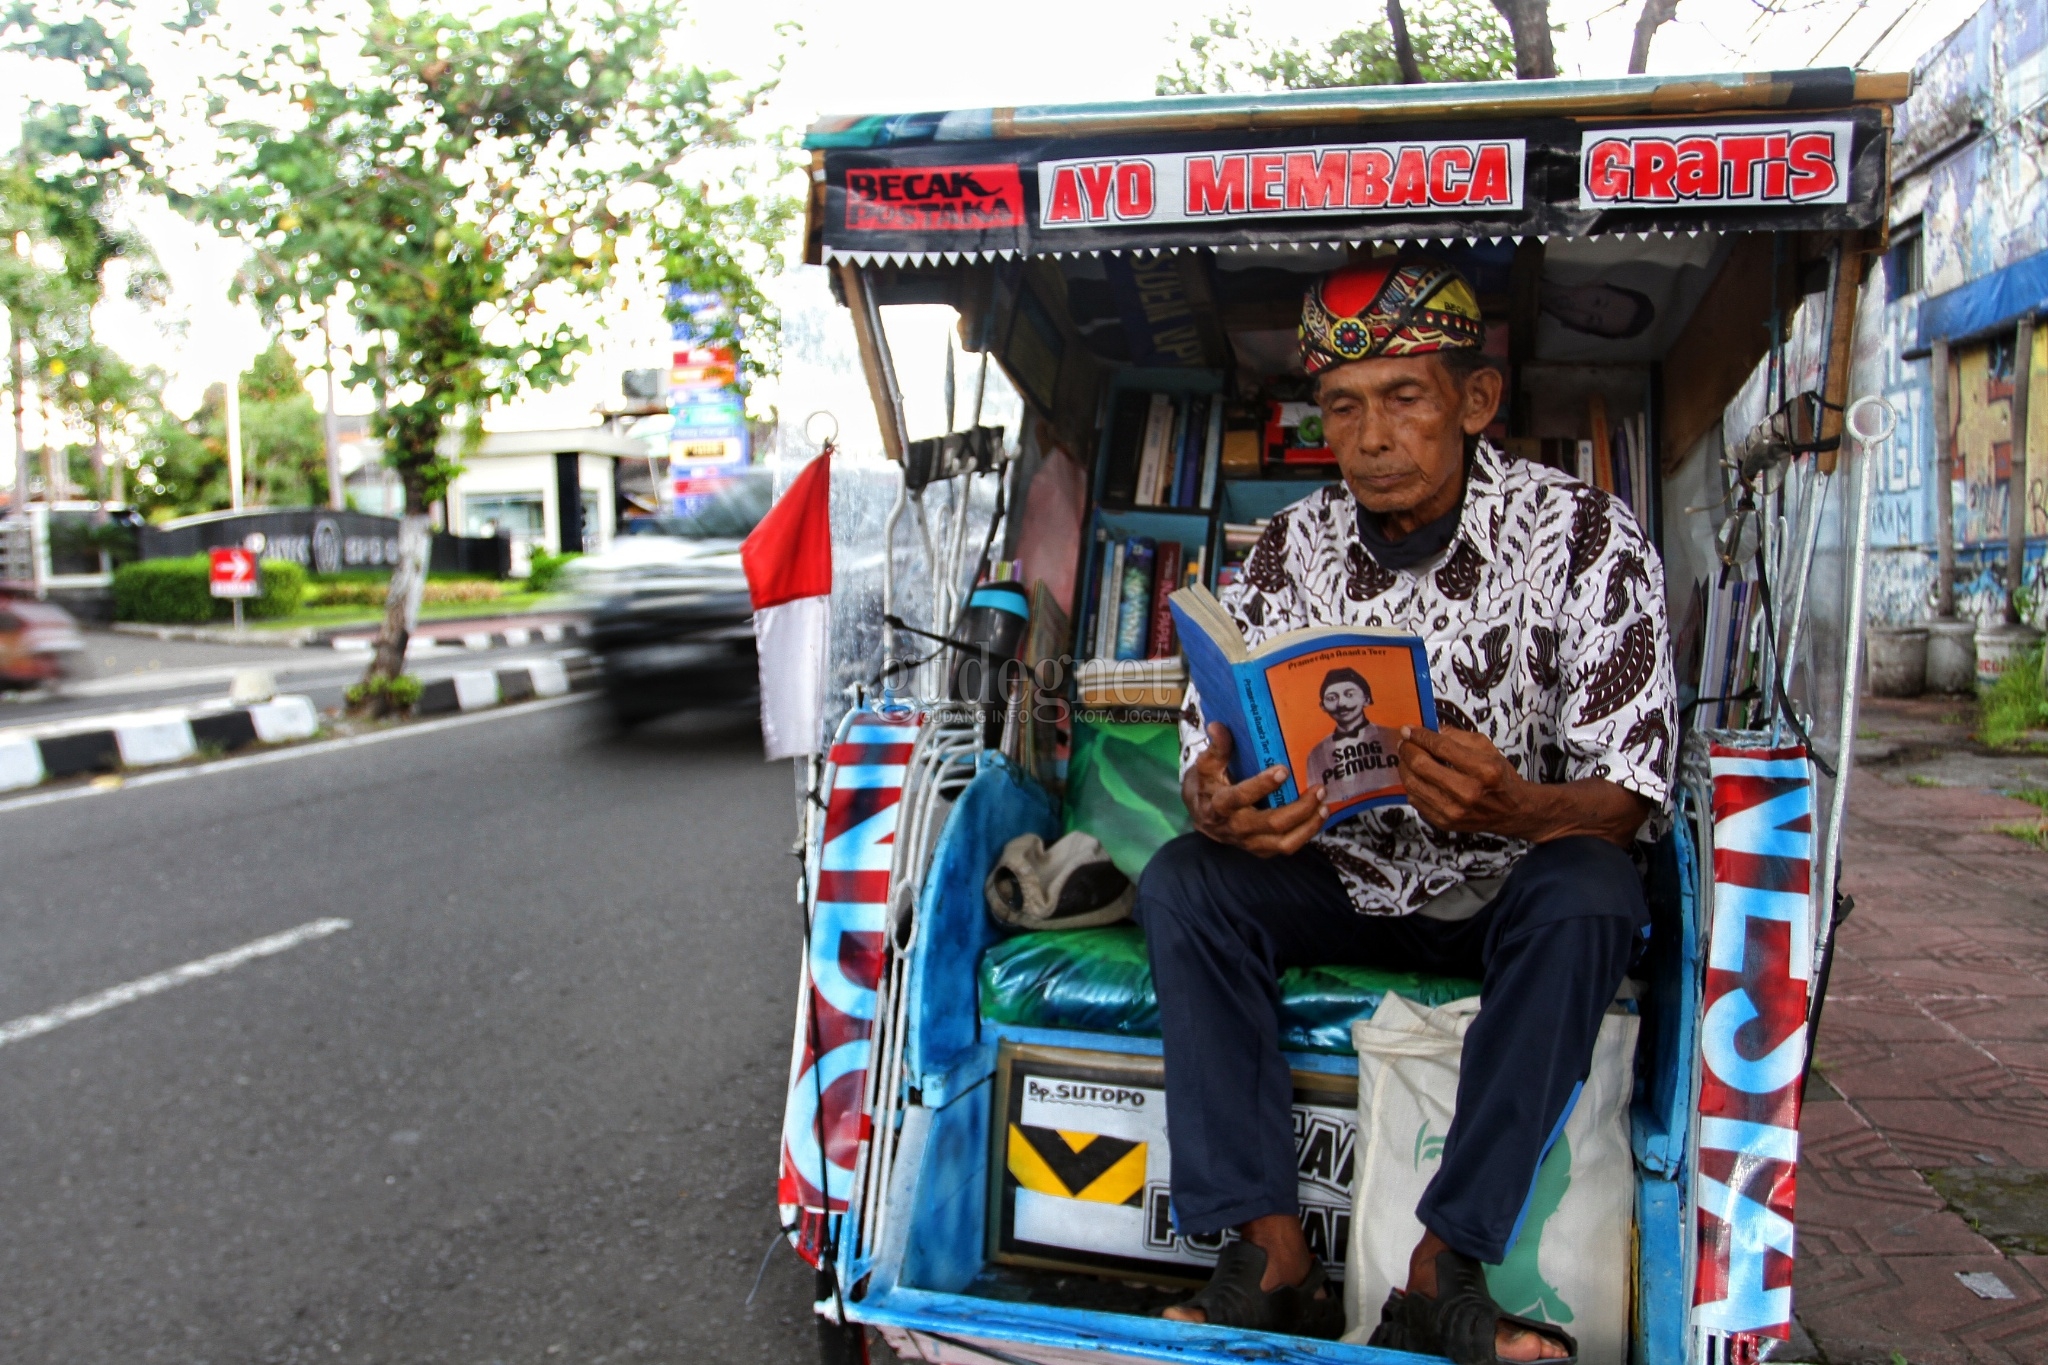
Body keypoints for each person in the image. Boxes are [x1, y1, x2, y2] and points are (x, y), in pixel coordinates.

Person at [1135, 257, 1676, 1364]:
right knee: (1185, 882)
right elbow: (1212, 738)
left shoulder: (1586, 540)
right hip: (1346, 872)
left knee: (1594, 888)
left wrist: (1520, 807)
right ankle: (1270, 1255)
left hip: (1509, 881)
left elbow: (1627, 794)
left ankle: (1441, 1269)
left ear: (1472, 403)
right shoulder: (1286, 549)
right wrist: (1217, 800)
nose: (1372, 436)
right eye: (1343, 407)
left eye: (1404, 398)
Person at [1301, 667, 1399, 808]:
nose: (1341, 703)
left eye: (1349, 694)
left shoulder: (1393, 737)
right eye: (1331, 698)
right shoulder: (1315, 754)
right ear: (1322, 706)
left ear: (1366, 699)